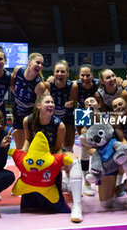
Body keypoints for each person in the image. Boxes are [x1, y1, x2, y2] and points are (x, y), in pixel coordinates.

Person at [22, 94, 83, 223]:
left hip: (51, 154)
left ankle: (77, 206)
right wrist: (23, 152)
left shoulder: (59, 125)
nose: (51, 104)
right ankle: (65, 185)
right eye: (47, 102)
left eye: (52, 102)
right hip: (35, 158)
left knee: (74, 160)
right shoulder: (28, 120)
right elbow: (28, 139)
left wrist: (55, 161)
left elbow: (57, 148)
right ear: (39, 106)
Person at [10, 52, 46, 149]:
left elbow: (38, 108)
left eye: (42, 64)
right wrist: (18, 97)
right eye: (38, 62)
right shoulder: (18, 70)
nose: (40, 65)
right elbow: (11, 84)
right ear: (29, 62)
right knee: (19, 149)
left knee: (29, 149)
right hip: (17, 113)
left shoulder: (39, 86)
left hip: (30, 117)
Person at [75, 64, 100, 196]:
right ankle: (87, 183)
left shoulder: (98, 84)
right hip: (82, 113)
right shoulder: (76, 85)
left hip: (98, 112)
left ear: (92, 76)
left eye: (88, 75)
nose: (85, 77)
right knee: (84, 147)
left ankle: (102, 179)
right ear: (79, 77)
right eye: (82, 75)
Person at [44, 60, 77, 153]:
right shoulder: (48, 84)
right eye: (57, 71)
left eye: (63, 71)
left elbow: (73, 101)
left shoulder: (72, 86)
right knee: (51, 147)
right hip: (52, 118)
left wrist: (71, 103)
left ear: (67, 74)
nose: (60, 74)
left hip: (67, 117)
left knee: (69, 149)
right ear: (53, 73)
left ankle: (71, 165)